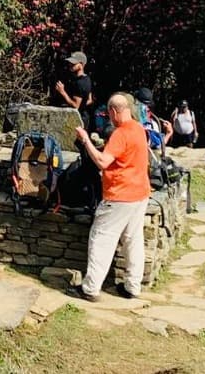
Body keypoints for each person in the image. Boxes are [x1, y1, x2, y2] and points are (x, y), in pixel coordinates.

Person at [71, 92, 151, 301]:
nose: (108, 118)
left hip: (120, 195)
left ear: (115, 111)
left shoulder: (121, 133)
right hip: (140, 193)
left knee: (101, 239)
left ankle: (90, 289)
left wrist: (86, 140)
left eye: (109, 114)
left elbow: (103, 162)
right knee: (133, 240)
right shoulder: (139, 129)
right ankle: (132, 286)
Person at [55, 51, 93, 128]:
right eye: (70, 63)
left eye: (74, 63)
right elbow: (90, 100)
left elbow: (76, 106)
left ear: (81, 65)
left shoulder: (79, 83)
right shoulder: (87, 79)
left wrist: (62, 92)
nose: (70, 65)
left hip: (77, 120)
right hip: (83, 118)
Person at [134, 87, 173, 154]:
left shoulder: (153, 124)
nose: (146, 109)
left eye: (148, 107)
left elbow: (157, 145)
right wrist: (168, 134)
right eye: (143, 106)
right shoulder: (131, 123)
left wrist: (168, 134)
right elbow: (157, 144)